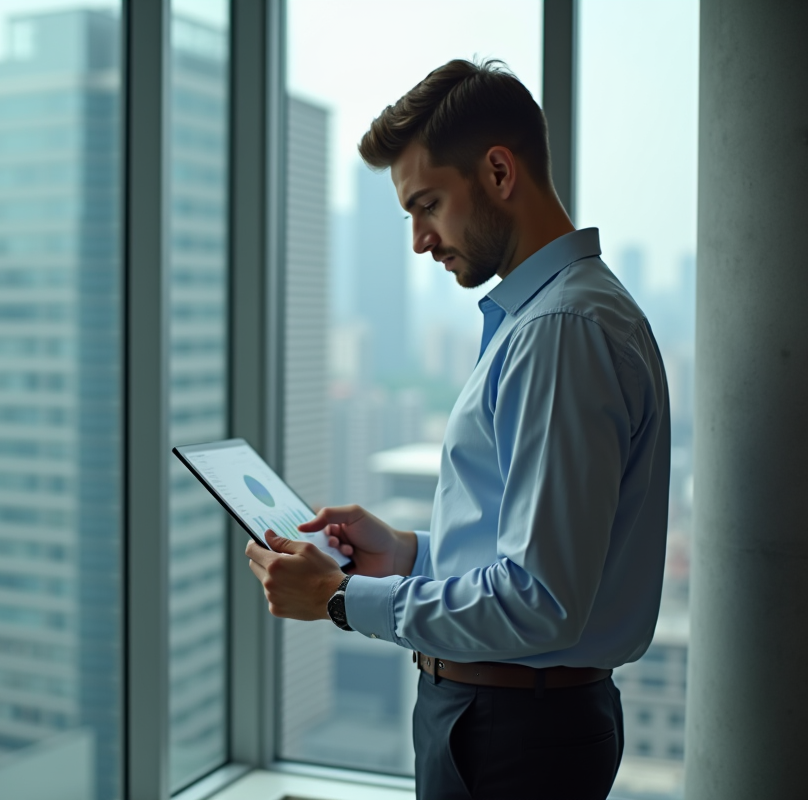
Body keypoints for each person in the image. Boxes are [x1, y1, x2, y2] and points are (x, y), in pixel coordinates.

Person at [245, 58, 670, 800]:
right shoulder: (555, 318)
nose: (419, 239)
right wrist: (407, 554)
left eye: (428, 205)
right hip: (511, 720)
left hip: (513, 731)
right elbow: (540, 559)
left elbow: (539, 598)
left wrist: (342, 597)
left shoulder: (561, 332)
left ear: (499, 172)